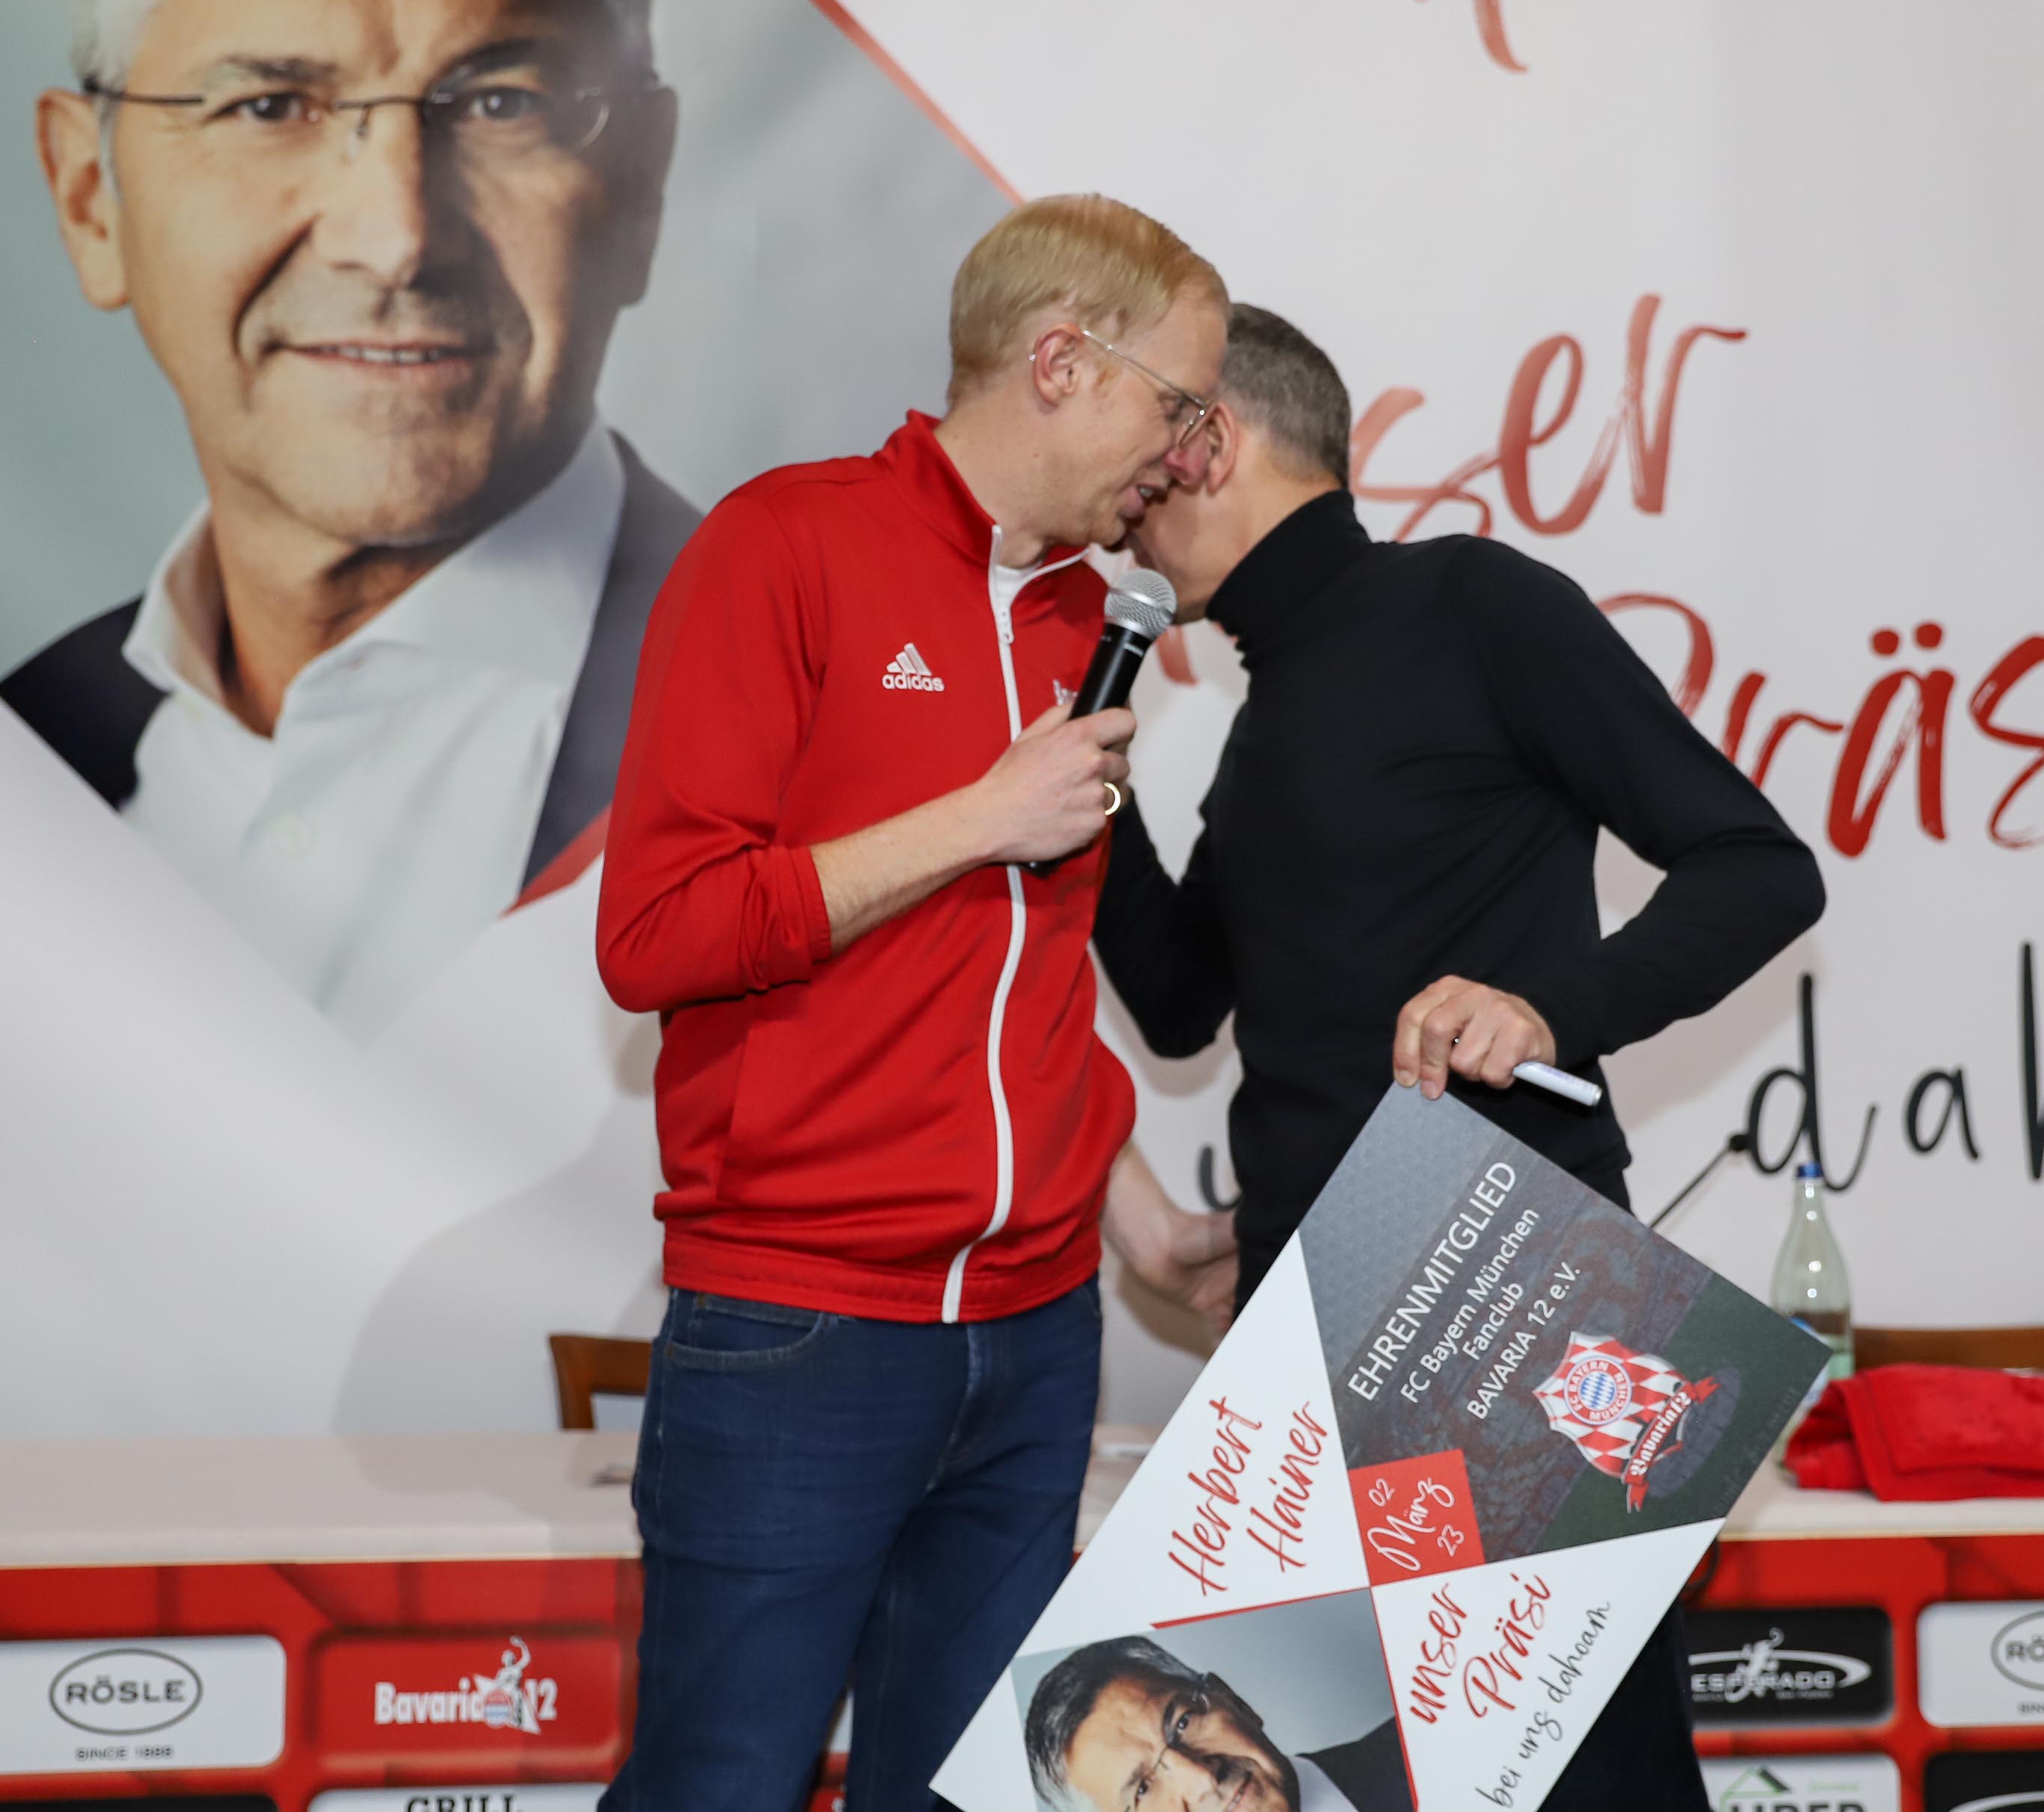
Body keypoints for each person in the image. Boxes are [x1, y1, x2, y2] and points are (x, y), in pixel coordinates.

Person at [1095, 305, 1829, 1808]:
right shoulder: (1263, 709)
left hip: (1509, 1289)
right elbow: (1174, 1003)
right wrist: (1077, 763)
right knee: (1360, 1782)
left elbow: (1761, 868)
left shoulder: (1473, 604)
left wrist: (1550, 1007)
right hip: (1310, 1320)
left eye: (1140, 452)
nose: (1115, 500)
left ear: (1212, 441)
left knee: (1601, 1781)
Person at [592, 195, 1240, 1811]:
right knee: (717, 1789)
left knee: (968, 1794)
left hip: (1037, 1333)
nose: (1185, 453)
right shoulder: (785, 547)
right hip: (807, 1326)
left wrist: (1141, 1219)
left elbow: (1008, 982)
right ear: (1060, 362)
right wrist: (977, 814)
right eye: (1177, 403)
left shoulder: (1091, 617)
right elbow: (658, 933)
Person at [1, 0, 694, 1040]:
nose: (395, 237)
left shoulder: (865, 761)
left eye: (499, 102)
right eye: (271, 106)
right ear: (90, 198)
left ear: (642, 191)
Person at [1024, 1635, 1411, 1812]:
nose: (1202, 1779)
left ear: (1233, 1699)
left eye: (1183, 1723)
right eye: (1142, 1790)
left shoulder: (1429, 1747)